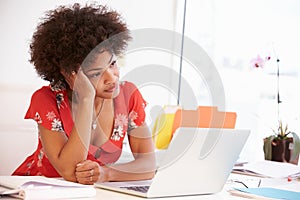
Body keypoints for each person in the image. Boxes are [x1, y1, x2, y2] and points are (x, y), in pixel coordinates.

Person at [12, 3, 156, 185]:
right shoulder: (46, 100)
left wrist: (106, 174)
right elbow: (70, 172)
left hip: (90, 193)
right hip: (34, 190)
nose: (111, 78)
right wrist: (86, 99)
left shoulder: (128, 95)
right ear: (68, 73)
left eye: (112, 64)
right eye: (96, 73)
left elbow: (149, 164)